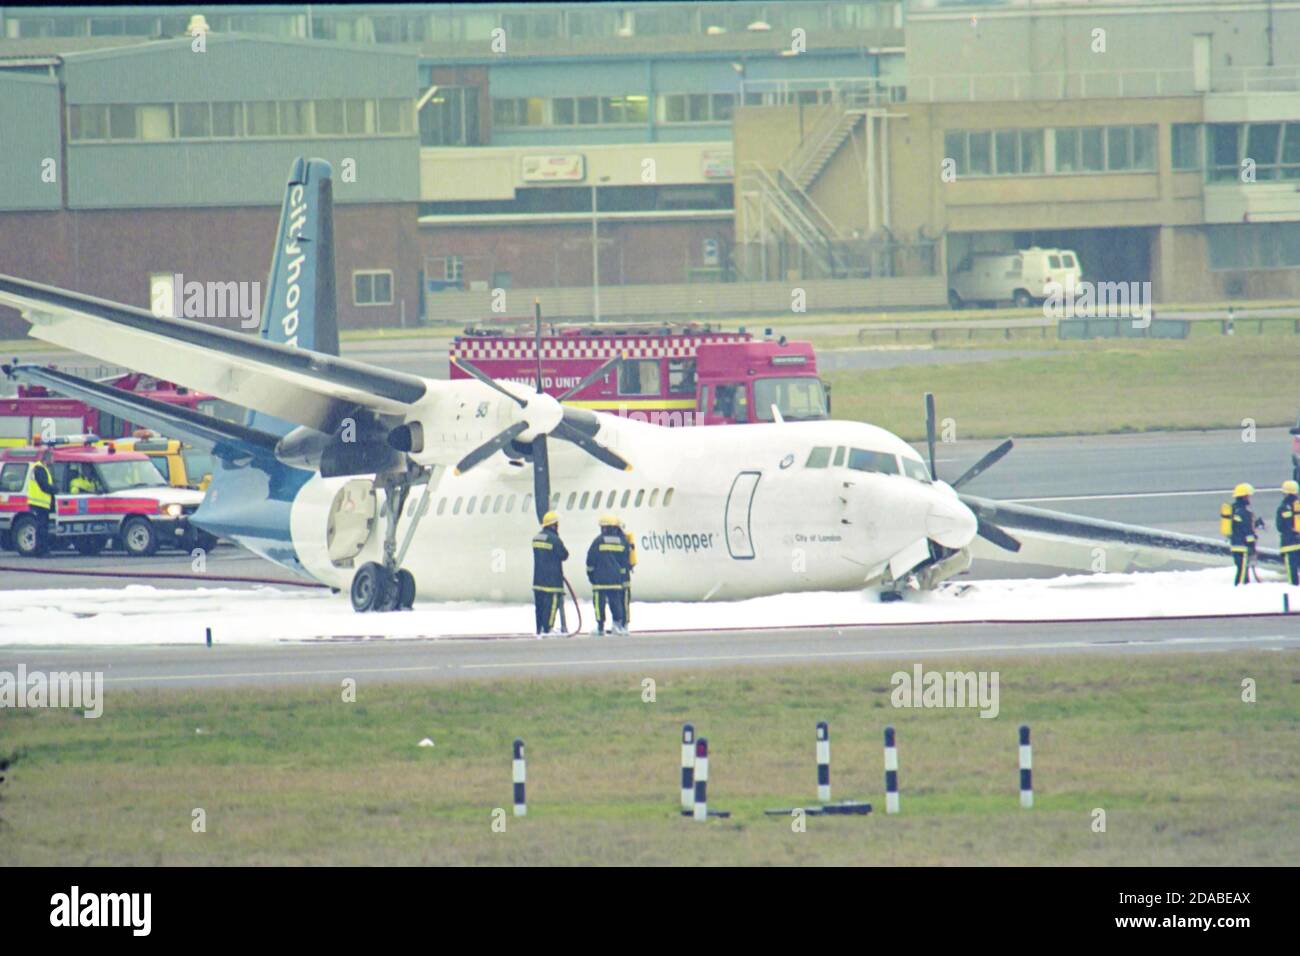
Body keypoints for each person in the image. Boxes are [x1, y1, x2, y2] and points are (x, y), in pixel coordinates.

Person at [586, 514, 631, 635]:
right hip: (615, 580)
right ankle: (617, 625)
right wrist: (621, 577)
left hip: (599, 580)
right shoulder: (622, 542)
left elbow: (590, 559)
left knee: (599, 604)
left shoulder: (598, 541)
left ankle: (600, 627)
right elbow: (625, 562)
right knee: (615, 603)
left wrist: (590, 574)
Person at [531, 511, 568, 636]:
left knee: (539, 607)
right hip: (552, 580)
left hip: (538, 579)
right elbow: (564, 555)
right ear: (553, 525)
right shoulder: (555, 540)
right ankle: (548, 628)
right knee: (551, 606)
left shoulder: (536, 538)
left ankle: (539, 629)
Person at [1228, 483, 1260, 586]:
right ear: (1244, 496)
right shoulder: (1244, 512)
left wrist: (1255, 523)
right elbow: (1247, 530)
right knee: (1242, 573)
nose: (1249, 498)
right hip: (1243, 546)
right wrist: (1252, 544)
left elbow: (1238, 526)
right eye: (1248, 496)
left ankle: (1241, 588)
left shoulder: (1233, 509)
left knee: (1241, 570)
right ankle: (1239, 590)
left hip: (1235, 545)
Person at [25, 449, 56, 552]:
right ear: (47, 458)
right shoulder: (39, 468)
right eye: (52, 457)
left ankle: (41, 549)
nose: (53, 460)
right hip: (39, 503)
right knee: (42, 528)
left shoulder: (42, 468)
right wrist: (55, 489)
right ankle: (41, 550)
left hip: (41, 503)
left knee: (42, 527)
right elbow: (44, 486)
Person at [1277, 480, 1300, 586]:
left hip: (1288, 545)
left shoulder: (1282, 508)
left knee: (1292, 572)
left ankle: (1294, 589)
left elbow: (1280, 527)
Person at [620, 519, 636, 627]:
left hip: (620, 577)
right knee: (623, 601)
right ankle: (623, 623)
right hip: (624, 576)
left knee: (621, 601)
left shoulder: (624, 542)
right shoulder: (626, 541)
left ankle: (622, 623)